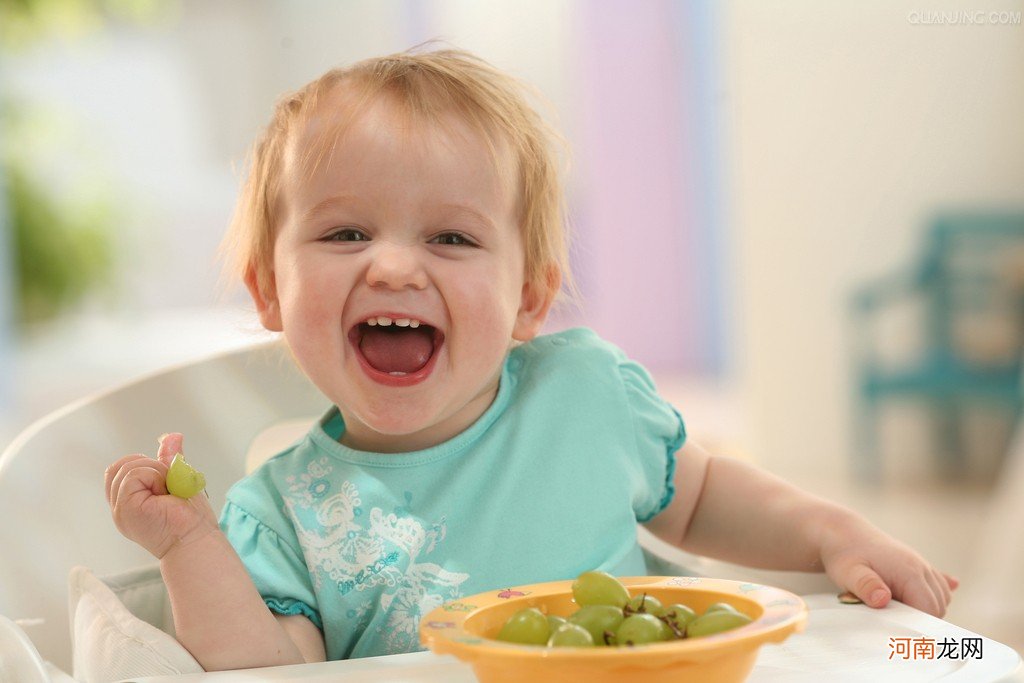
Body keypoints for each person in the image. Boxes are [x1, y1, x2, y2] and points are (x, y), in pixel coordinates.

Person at [104, 46, 957, 671]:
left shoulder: (584, 395)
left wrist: (833, 535)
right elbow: (268, 669)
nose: (395, 265)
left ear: (528, 298)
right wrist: (189, 550)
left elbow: (697, 496)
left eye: (450, 236)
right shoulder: (280, 513)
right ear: (269, 290)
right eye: (346, 232)